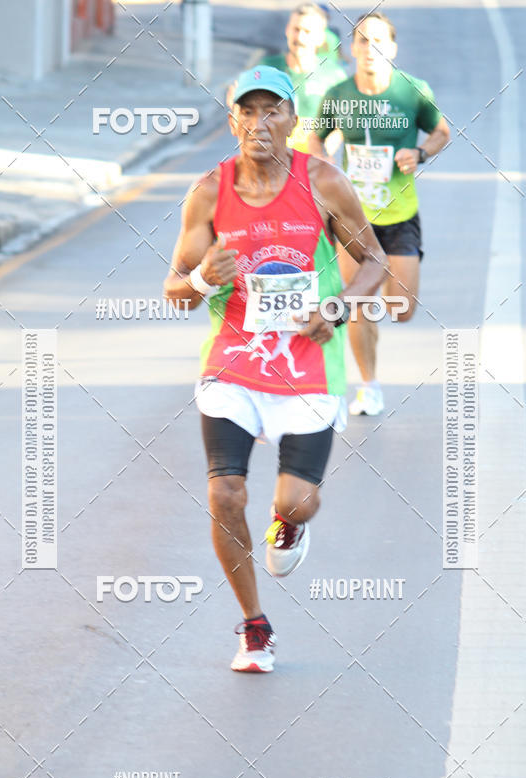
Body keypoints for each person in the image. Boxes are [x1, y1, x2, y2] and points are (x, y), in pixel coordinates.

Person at [164, 66, 385, 673]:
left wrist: (337, 308)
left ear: (293, 120)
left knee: (296, 502)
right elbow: (175, 292)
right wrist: (207, 275)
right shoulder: (210, 191)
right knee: (225, 492)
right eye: (248, 112)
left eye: (273, 112)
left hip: (308, 363)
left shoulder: (323, 182)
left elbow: (374, 259)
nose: (259, 124)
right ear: (232, 119)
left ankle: (287, 525)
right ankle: (254, 626)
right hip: (233, 360)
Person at [308, 11, 450, 415]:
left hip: (400, 213)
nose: (371, 50)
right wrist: (327, 168)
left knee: (402, 310)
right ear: (352, 48)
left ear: (393, 48)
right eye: (363, 42)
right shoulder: (338, 94)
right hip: (354, 218)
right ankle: (368, 385)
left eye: (379, 42)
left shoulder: (412, 92)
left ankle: (379, 303)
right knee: (356, 303)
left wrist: (419, 153)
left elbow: (442, 131)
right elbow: (315, 139)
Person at [257, 3, 347, 153]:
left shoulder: (335, 75)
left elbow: (343, 123)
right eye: (296, 29)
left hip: (313, 165)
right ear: (287, 31)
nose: (300, 37)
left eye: (307, 31)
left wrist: (326, 147)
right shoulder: (267, 69)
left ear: (320, 38)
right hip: (274, 162)